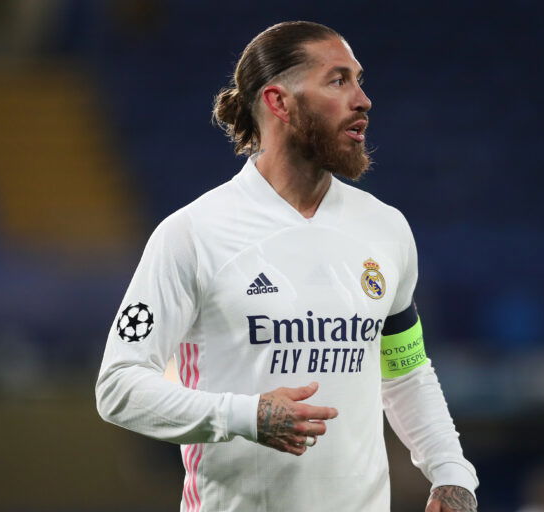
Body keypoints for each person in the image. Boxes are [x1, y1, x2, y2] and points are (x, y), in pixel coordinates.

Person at [95, 20, 478, 512]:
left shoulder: (386, 229)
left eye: (359, 80)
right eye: (338, 80)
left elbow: (404, 370)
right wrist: (247, 416)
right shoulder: (192, 234)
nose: (362, 100)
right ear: (279, 102)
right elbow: (119, 387)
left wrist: (450, 472)